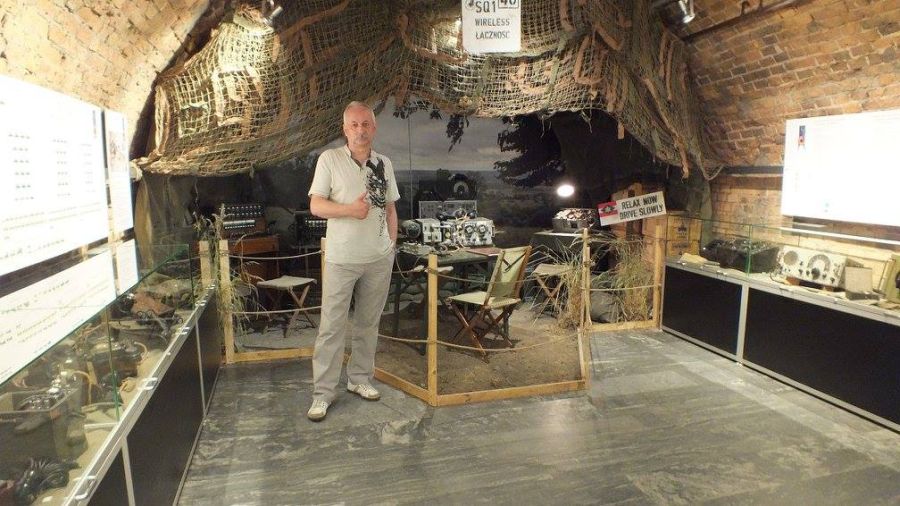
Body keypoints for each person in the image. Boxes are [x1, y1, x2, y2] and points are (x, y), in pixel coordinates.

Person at [306, 101, 399, 422]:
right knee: (331, 327)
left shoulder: (384, 163)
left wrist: (390, 245)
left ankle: (359, 379)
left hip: (378, 259)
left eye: (366, 124)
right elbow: (317, 206)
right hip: (341, 260)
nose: (360, 130)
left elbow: (390, 208)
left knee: (368, 324)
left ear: (374, 128)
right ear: (345, 129)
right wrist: (350, 210)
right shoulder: (329, 160)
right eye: (354, 125)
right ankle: (323, 394)